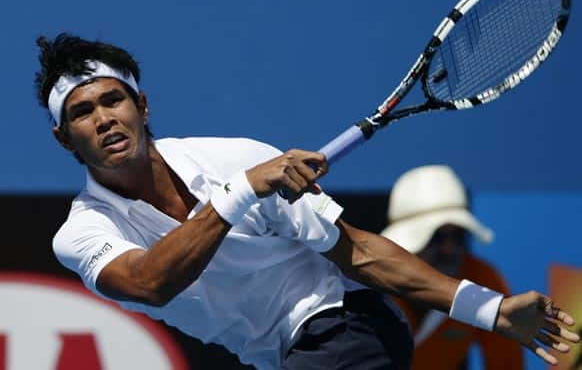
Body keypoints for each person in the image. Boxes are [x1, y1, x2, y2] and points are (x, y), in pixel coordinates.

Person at [35, 33, 578, 370]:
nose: (104, 118)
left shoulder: (232, 158)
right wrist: (242, 192)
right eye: (82, 113)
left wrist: (490, 309)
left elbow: (357, 253)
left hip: (347, 327)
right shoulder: (81, 233)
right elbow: (150, 283)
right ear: (64, 138)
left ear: (143, 106)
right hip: (293, 358)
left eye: (114, 100)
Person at [381, 165, 524, 369]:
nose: (449, 249)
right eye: (435, 237)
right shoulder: (369, 286)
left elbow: (507, 364)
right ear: (404, 245)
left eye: (457, 236)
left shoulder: (482, 280)